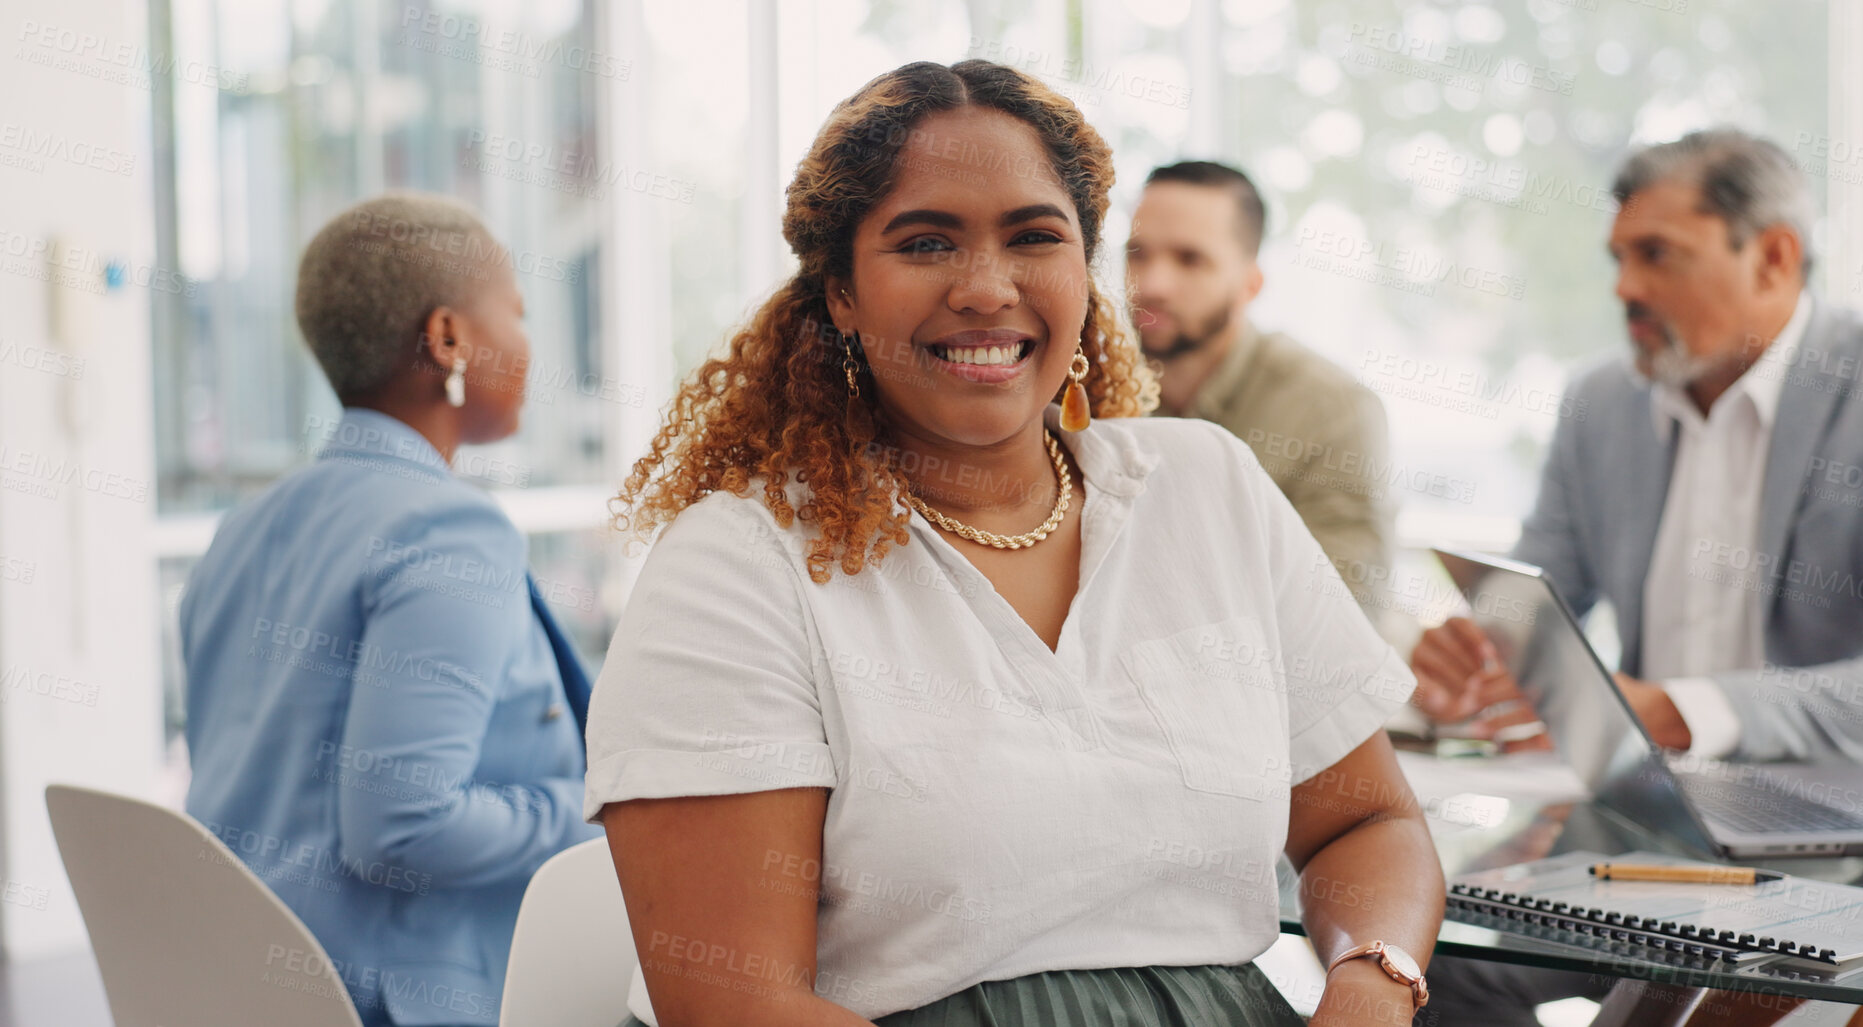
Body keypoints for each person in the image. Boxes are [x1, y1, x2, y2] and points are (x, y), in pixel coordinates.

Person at [588, 60, 1444, 1027]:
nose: (986, 289)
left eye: (1035, 237)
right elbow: (731, 1000)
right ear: (840, 294)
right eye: (924, 243)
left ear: (1084, 270)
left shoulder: (1207, 486)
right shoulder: (740, 565)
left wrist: (1370, 986)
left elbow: (1366, 821)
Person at [1410, 130, 1863, 1026]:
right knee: (1427, 956)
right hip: (1653, 822)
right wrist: (1475, 647)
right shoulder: (1601, 402)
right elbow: (1544, 596)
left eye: (1656, 254)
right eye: (1618, 256)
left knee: (1704, 1009)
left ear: (1772, 257)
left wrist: (1678, 709)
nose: (1623, 286)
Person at [180, 193, 602, 1027]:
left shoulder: (244, 525)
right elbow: (402, 828)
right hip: (398, 998)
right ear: (446, 337)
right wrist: (603, 812)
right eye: (515, 315)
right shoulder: (448, 530)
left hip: (239, 986)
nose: (527, 343)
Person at [1126, 161, 1394, 608]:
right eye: (1137, 253)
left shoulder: (1333, 409)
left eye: (1190, 259)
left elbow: (1343, 612)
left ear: (1252, 284)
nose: (1153, 284)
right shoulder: (1079, 386)